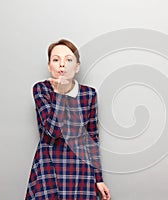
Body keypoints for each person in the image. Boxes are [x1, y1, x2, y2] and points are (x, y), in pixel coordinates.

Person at [25, 39, 110, 200]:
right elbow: (53, 131)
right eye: (56, 60)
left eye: (68, 60)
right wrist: (60, 93)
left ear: (77, 66)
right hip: (49, 163)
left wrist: (98, 178)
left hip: (81, 167)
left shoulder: (89, 94)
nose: (62, 64)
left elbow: (92, 138)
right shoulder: (41, 89)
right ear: (49, 66)